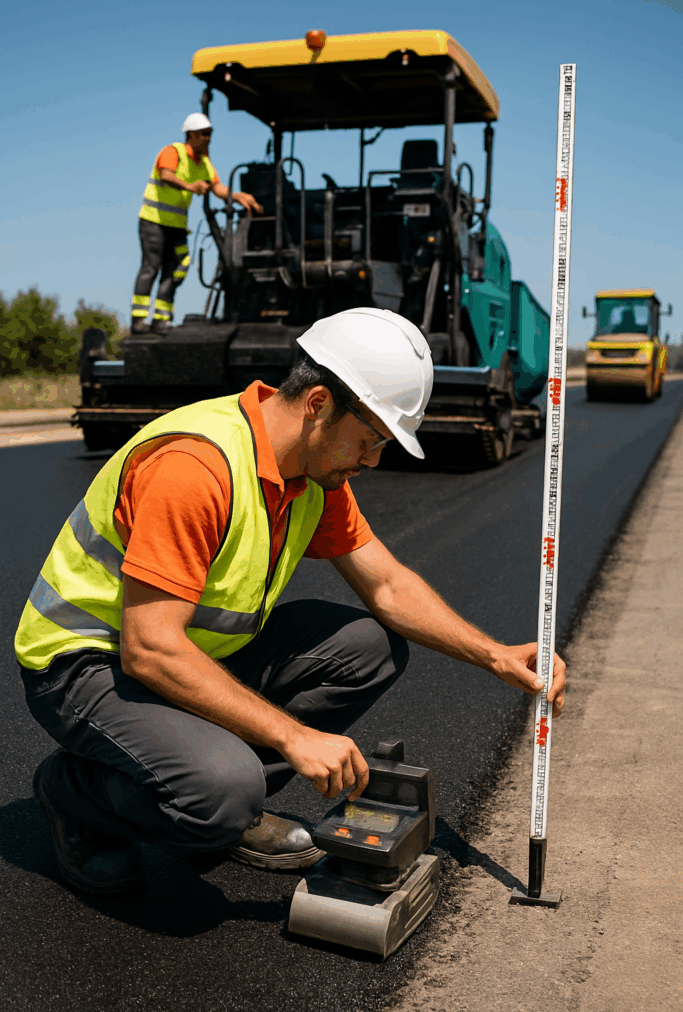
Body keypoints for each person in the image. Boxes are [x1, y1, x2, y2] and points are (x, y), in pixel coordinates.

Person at [15, 308, 566, 894]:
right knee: (224, 793)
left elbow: (386, 585)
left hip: (183, 652)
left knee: (368, 648)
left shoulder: (313, 472)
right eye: (372, 437)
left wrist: (495, 656)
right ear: (319, 404)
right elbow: (149, 650)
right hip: (85, 666)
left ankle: (215, 785)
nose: (375, 459)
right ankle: (76, 793)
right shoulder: (196, 469)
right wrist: (293, 737)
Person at [130, 112, 262, 336]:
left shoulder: (204, 164)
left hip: (177, 227)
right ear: (191, 135)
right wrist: (190, 186)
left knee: (180, 266)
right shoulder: (174, 152)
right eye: (205, 134)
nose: (209, 138)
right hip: (154, 222)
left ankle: (161, 319)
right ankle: (139, 319)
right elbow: (166, 175)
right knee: (151, 267)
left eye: (211, 134)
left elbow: (216, 187)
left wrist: (237, 196)